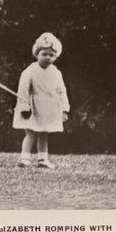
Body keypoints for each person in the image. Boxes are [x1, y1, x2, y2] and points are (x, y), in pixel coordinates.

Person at [13, 32, 70, 169]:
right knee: (31, 133)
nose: (48, 57)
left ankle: (42, 159)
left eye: (51, 55)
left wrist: (64, 109)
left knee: (44, 133)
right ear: (37, 53)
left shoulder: (56, 73)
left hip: (48, 108)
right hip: (32, 108)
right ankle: (25, 158)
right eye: (44, 54)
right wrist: (24, 106)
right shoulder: (30, 71)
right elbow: (23, 90)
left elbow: (62, 91)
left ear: (56, 56)